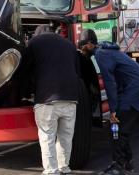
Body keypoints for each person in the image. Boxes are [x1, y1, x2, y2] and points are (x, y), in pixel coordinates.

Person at [78, 29, 139, 174]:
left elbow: (110, 83)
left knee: (117, 128)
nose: (81, 51)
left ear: (89, 45)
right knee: (118, 128)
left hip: (135, 89)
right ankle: (127, 163)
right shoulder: (105, 51)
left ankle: (118, 166)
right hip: (136, 86)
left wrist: (112, 110)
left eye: (82, 47)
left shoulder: (101, 55)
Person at [26, 25, 79, 175]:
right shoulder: (69, 44)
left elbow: (25, 70)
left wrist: (26, 92)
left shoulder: (34, 43)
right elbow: (78, 72)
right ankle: (64, 168)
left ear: (37, 34)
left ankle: (51, 171)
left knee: (47, 136)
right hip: (70, 99)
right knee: (66, 138)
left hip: (47, 100)